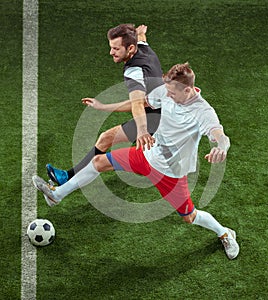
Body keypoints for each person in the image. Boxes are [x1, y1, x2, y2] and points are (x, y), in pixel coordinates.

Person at [33, 63, 240, 260]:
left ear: (187, 90)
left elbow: (219, 135)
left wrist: (221, 147)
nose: (167, 95)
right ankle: (56, 195)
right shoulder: (166, 90)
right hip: (147, 154)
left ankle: (224, 234)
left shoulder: (203, 112)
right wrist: (104, 107)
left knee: (189, 217)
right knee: (99, 161)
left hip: (171, 174)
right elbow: (139, 104)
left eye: (172, 93)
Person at [46, 24, 163, 185]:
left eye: (116, 49)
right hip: (160, 111)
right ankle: (68, 177)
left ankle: (68, 179)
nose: (111, 52)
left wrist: (142, 131)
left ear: (129, 48)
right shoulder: (143, 48)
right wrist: (139, 33)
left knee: (144, 163)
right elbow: (141, 38)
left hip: (154, 118)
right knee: (106, 138)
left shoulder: (134, 71)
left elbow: (136, 104)